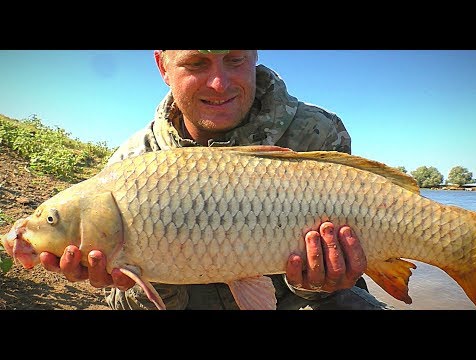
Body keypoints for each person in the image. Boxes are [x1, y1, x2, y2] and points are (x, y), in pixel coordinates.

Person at [39, 50, 392, 310]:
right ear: (163, 65)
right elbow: (122, 300)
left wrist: (321, 282)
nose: (219, 83)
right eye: (196, 63)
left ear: (254, 56)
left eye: (235, 59)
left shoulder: (317, 132)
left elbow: (343, 277)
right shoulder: (132, 163)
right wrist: (137, 279)